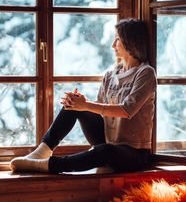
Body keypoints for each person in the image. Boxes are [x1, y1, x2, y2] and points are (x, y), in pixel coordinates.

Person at [10, 18, 157, 174]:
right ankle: (41, 152)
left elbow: (127, 110)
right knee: (73, 105)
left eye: (118, 39)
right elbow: (101, 109)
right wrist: (80, 103)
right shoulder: (110, 74)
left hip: (133, 153)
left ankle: (47, 166)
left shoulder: (145, 73)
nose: (113, 45)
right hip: (108, 140)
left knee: (104, 151)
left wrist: (86, 105)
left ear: (130, 41)